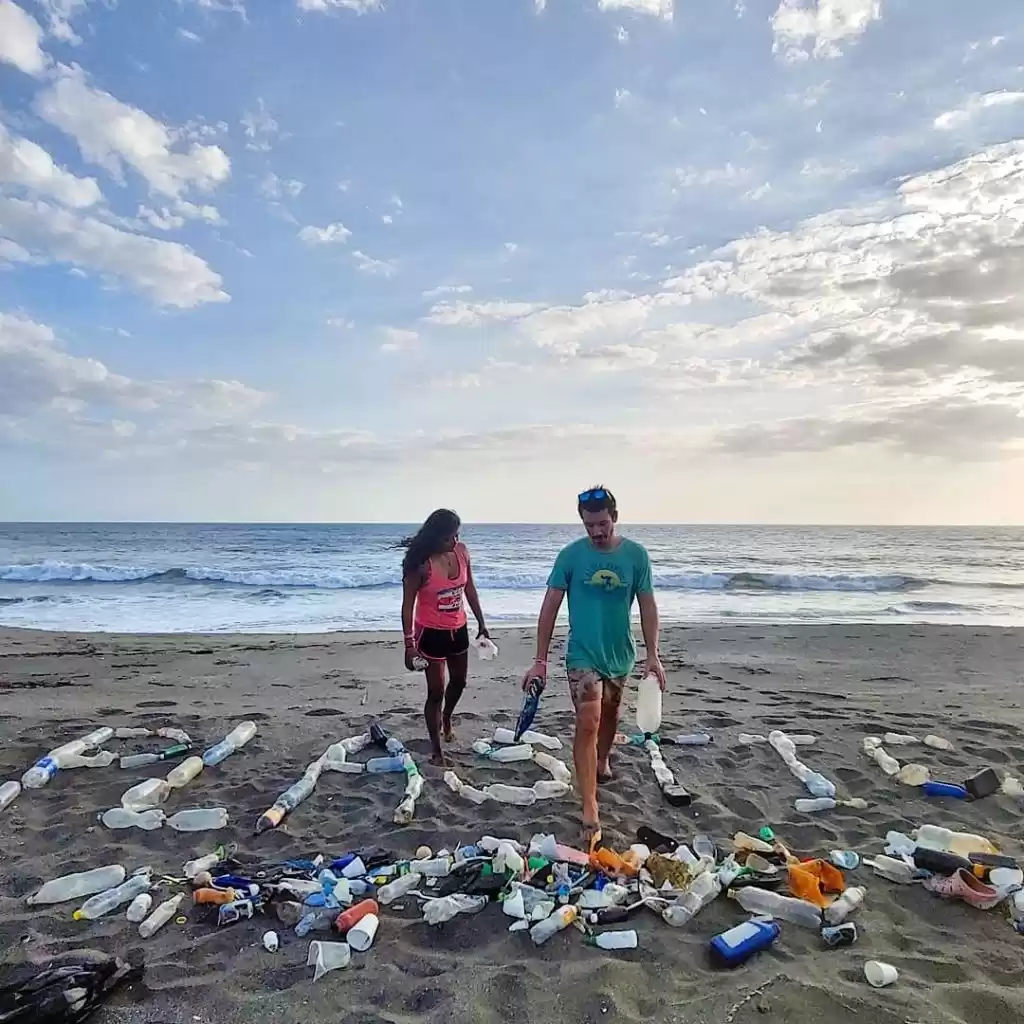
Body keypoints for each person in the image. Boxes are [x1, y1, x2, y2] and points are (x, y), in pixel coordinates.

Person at [523, 486, 665, 849]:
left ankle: (602, 761)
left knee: (610, 715)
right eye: (589, 526)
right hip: (582, 654)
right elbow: (549, 607)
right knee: (588, 720)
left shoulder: (636, 556)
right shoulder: (571, 557)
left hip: (620, 655)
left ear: (614, 517)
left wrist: (653, 655)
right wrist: (539, 661)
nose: (597, 532)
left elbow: (648, 606)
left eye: (602, 524)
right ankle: (589, 805)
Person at [401, 509, 490, 765]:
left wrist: (481, 623)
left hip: (458, 628)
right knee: (435, 691)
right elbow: (407, 607)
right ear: (435, 538)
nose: (454, 541)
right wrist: (409, 645)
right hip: (430, 632)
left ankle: (447, 717)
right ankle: (437, 752)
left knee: (459, 682)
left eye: (457, 535)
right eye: (449, 537)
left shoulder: (461, 552)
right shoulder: (420, 565)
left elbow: (469, 588)